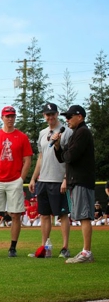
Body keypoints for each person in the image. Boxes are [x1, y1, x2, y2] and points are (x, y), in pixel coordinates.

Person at [0, 106, 33, 258]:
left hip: (14, 180)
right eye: (7, 116)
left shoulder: (22, 137)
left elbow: (27, 160)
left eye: (12, 116)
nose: (10, 119)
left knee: (16, 214)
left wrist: (21, 179)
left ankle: (12, 248)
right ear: (2, 117)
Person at [51, 105, 96, 263]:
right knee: (82, 215)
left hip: (82, 179)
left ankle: (86, 252)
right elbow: (63, 157)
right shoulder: (77, 133)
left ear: (80, 117)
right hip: (76, 180)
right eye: (66, 117)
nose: (67, 120)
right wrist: (57, 146)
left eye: (70, 117)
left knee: (84, 216)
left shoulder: (82, 132)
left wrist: (63, 150)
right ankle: (85, 251)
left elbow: (70, 156)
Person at [28, 103, 73, 257]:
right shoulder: (42, 133)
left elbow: (69, 158)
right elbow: (41, 157)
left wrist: (66, 178)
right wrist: (34, 178)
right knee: (44, 214)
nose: (50, 117)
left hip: (58, 179)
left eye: (53, 114)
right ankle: (45, 248)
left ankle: (65, 248)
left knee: (62, 215)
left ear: (57, 114)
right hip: (43, 179)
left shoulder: (67, 132)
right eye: (47, 114)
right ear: (44, 116)